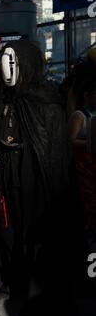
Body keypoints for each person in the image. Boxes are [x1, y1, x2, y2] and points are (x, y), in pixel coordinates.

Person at [68, 79, 96, 231]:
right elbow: (71, 141)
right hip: (83, 168)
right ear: (87, 95)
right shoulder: (79, 115)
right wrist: (89, 142)